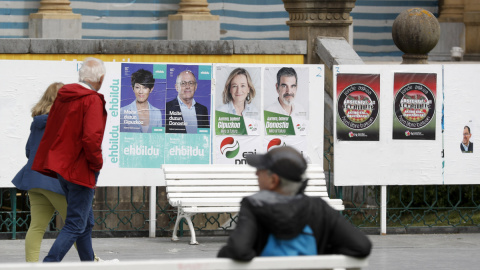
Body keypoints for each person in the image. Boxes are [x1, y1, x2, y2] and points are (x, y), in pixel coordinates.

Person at [217, 146, 372, 261]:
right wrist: (323, 253)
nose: (257, 173)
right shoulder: (319, 208)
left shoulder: (254, 206)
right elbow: (361, 246)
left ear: (273, 180)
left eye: (262, 169)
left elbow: (239, 249)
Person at [32, 57, 108, 262]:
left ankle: (88, 263)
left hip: (62, 168)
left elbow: (53, 132)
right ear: (100, 79)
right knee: (76, 223)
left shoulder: (63, 97)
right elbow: (91, 138)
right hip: (81, 168)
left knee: (85, 222)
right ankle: (50, 263)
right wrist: (97, 164)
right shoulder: (91, 99)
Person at [11, 83, 67, 262]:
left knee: (36, 227)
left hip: (34, 179)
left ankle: (31, 266)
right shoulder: (64, 121)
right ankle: (92, 260)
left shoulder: (37, 122)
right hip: (54, 181)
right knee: (76, 225)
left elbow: (29, 151)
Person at [120, 69, 162, 133]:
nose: (141, 92)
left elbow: (159, 138)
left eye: (145, 87)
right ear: (133, 88)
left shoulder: (157, 113)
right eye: (137, 87)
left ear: (151, 89)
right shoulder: (122, 112)